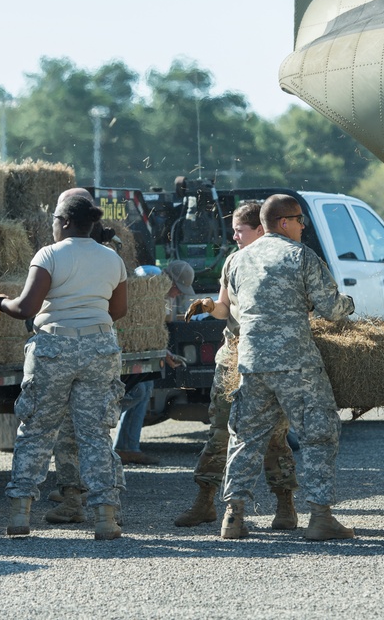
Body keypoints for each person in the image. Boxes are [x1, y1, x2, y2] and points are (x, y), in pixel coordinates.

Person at [0, 195, 127, 540]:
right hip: (100, 347)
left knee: (37, 431)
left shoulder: (49, 255)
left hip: (54, 346)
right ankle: (106, 519)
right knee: (95, 435)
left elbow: (25, 308)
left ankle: (20, 516)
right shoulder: (112, 258)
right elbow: (119, 310)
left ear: (64, 222)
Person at [220, 194, 354, 541]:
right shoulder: (300, 256)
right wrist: (348, 304)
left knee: (245, 439)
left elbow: (235, 308)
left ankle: (233, 517)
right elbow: (332, 310)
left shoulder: (237, 260)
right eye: (299, 220)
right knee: (319, 434)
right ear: (284, 223)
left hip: (251, 363)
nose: (302, 227)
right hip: (296, 363)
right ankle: (321, 517)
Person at [175, 201, 298, 530]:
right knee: (220, 434)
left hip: (270, 360)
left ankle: (285, 506)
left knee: (274, 436)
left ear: (260, 229)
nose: (234, 236)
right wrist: (208, 305)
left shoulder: (285, 260)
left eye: (239, 230)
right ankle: (205, 503)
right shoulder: (233, 261)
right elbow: (224, 307)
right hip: (232, 359)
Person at [114, 260, 193, 466]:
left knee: (145, 387)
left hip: (134, 345)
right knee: (137, 391)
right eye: (178, 289)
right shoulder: (149, 276)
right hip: (121, 343)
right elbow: (132, 318)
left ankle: (127, 448)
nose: (177, 294)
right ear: (170, 280)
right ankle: (97, 428)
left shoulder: (159, 294)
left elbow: (147, 329)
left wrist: (163, 352)